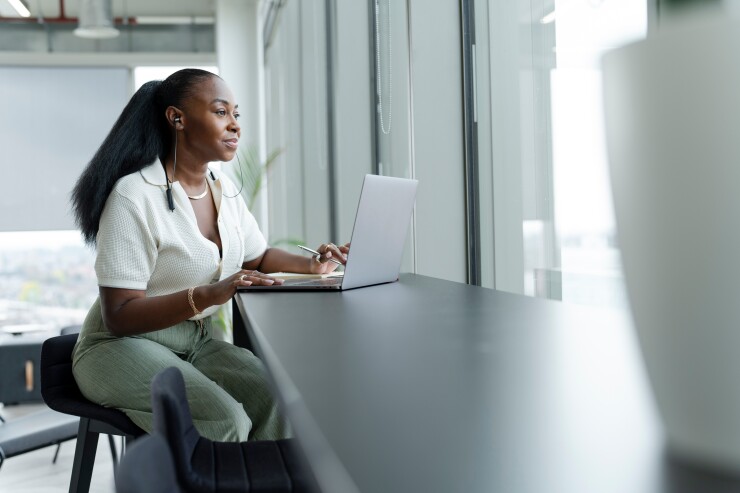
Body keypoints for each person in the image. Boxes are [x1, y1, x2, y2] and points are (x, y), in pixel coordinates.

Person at [70, 68, 349, 442]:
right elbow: (119, 316)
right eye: (221, 112)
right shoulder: (133, 196)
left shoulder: (224, 189)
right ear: (177, 118)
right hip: (118, 345)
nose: (234, 125)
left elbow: (258, 256)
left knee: (281, 402)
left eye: (236, 114)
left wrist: (313, 265)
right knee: (224, 419)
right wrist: (208, 294)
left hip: (194, 341)